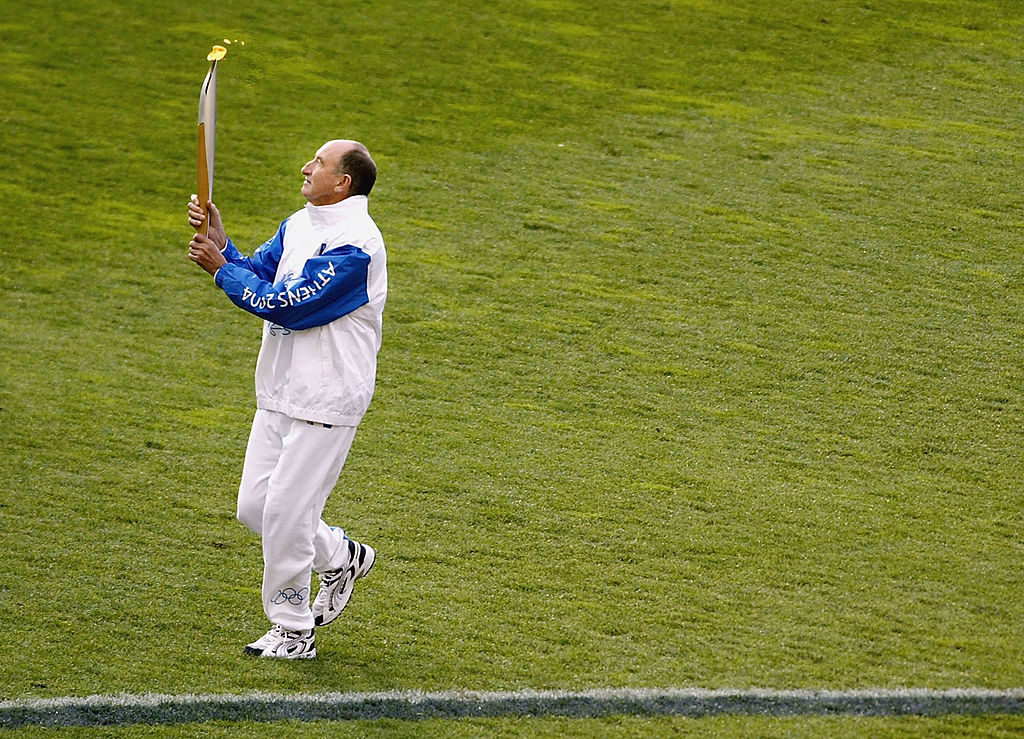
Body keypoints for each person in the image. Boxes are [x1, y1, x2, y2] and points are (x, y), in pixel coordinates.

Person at [186, 139, 386, 659]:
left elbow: (288, 306)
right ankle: (340, 555)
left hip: (326, 399)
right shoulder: (300, 225)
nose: (305, 166)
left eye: (317, 162)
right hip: (279, 392)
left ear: (342, 182)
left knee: (287, 514)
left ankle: (294, 630)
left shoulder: (358, 246)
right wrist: (224, 246)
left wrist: (217, 269)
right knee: (256, 508)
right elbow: (260, 272)